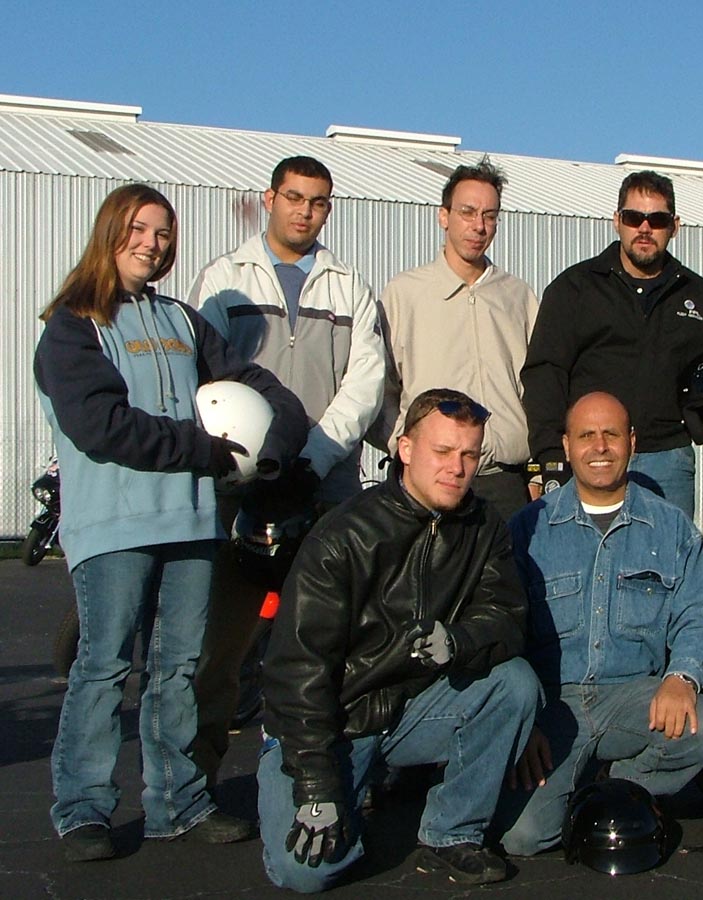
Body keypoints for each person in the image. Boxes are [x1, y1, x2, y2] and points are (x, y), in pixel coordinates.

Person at [35, 184, 307, 862]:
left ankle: (177, 802)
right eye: (138, 228)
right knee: (103, 667)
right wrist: (202, 449)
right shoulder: (73, 325)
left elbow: (254, 383)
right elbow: (101, 425)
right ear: (110, 232)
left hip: (191, 523)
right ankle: (83, 809)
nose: (152, 244)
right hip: (114, 526)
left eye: (163, 233)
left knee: (180, 668)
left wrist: (275, 439)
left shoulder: (182, 322)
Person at [256, 388, 539, 892]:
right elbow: (297, 670)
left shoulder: (483, 527)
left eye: (469, 454)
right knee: (304, 872)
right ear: (405, 449)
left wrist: (458, 640)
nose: (457, 468)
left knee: (514, 683)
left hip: (412, 710)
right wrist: (317, 784)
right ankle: (340, 795)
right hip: (333, 722)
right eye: (442, 451)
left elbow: (506, 619)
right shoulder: (344, 535)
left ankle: (453, 831)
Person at [188, 155, 386, 788]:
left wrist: (310, 461)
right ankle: (196, 788)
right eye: (295, 197)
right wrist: (255, 465)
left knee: (328, 644)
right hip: (240, 494)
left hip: (324, 491)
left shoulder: (347, 286)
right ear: (269, 199)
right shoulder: (225, 280)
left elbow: (365, 383)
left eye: (319, 201)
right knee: (221, 648)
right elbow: (206, 380)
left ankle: (324, 780)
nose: (306, 211)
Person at [497, 392, 703, 856]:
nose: (600, 446)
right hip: (553, 706)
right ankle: (580, 785)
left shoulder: (672, 527)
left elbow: (697, 615)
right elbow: (504, 635)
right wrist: (522, 724)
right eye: (586, 435)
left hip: (635, 697)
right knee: (521, 838)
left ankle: (615, 787)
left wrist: (682, 677)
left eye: (611, 434)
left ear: (632, 442)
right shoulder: (527, 529)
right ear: (567, 446)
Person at [520, 169, 703, 518]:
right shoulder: (574, 289)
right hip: (591, 454)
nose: (644, 228)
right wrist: (551, 454)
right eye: (633, 218)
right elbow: (544, 374)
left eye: (657, 220)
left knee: (668, 552)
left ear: (675, 226)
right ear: (617, 221)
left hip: (666, 461)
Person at [379, 157, 539, 521]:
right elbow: (382, 386)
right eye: (467, 212)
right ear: (444, 216)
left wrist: (536, 471)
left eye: (489, 216)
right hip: (427, 482)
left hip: (503, 483)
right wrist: (402, 444)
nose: (479, 226)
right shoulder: (405, 293)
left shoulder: (517, 296)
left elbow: (535, 387)